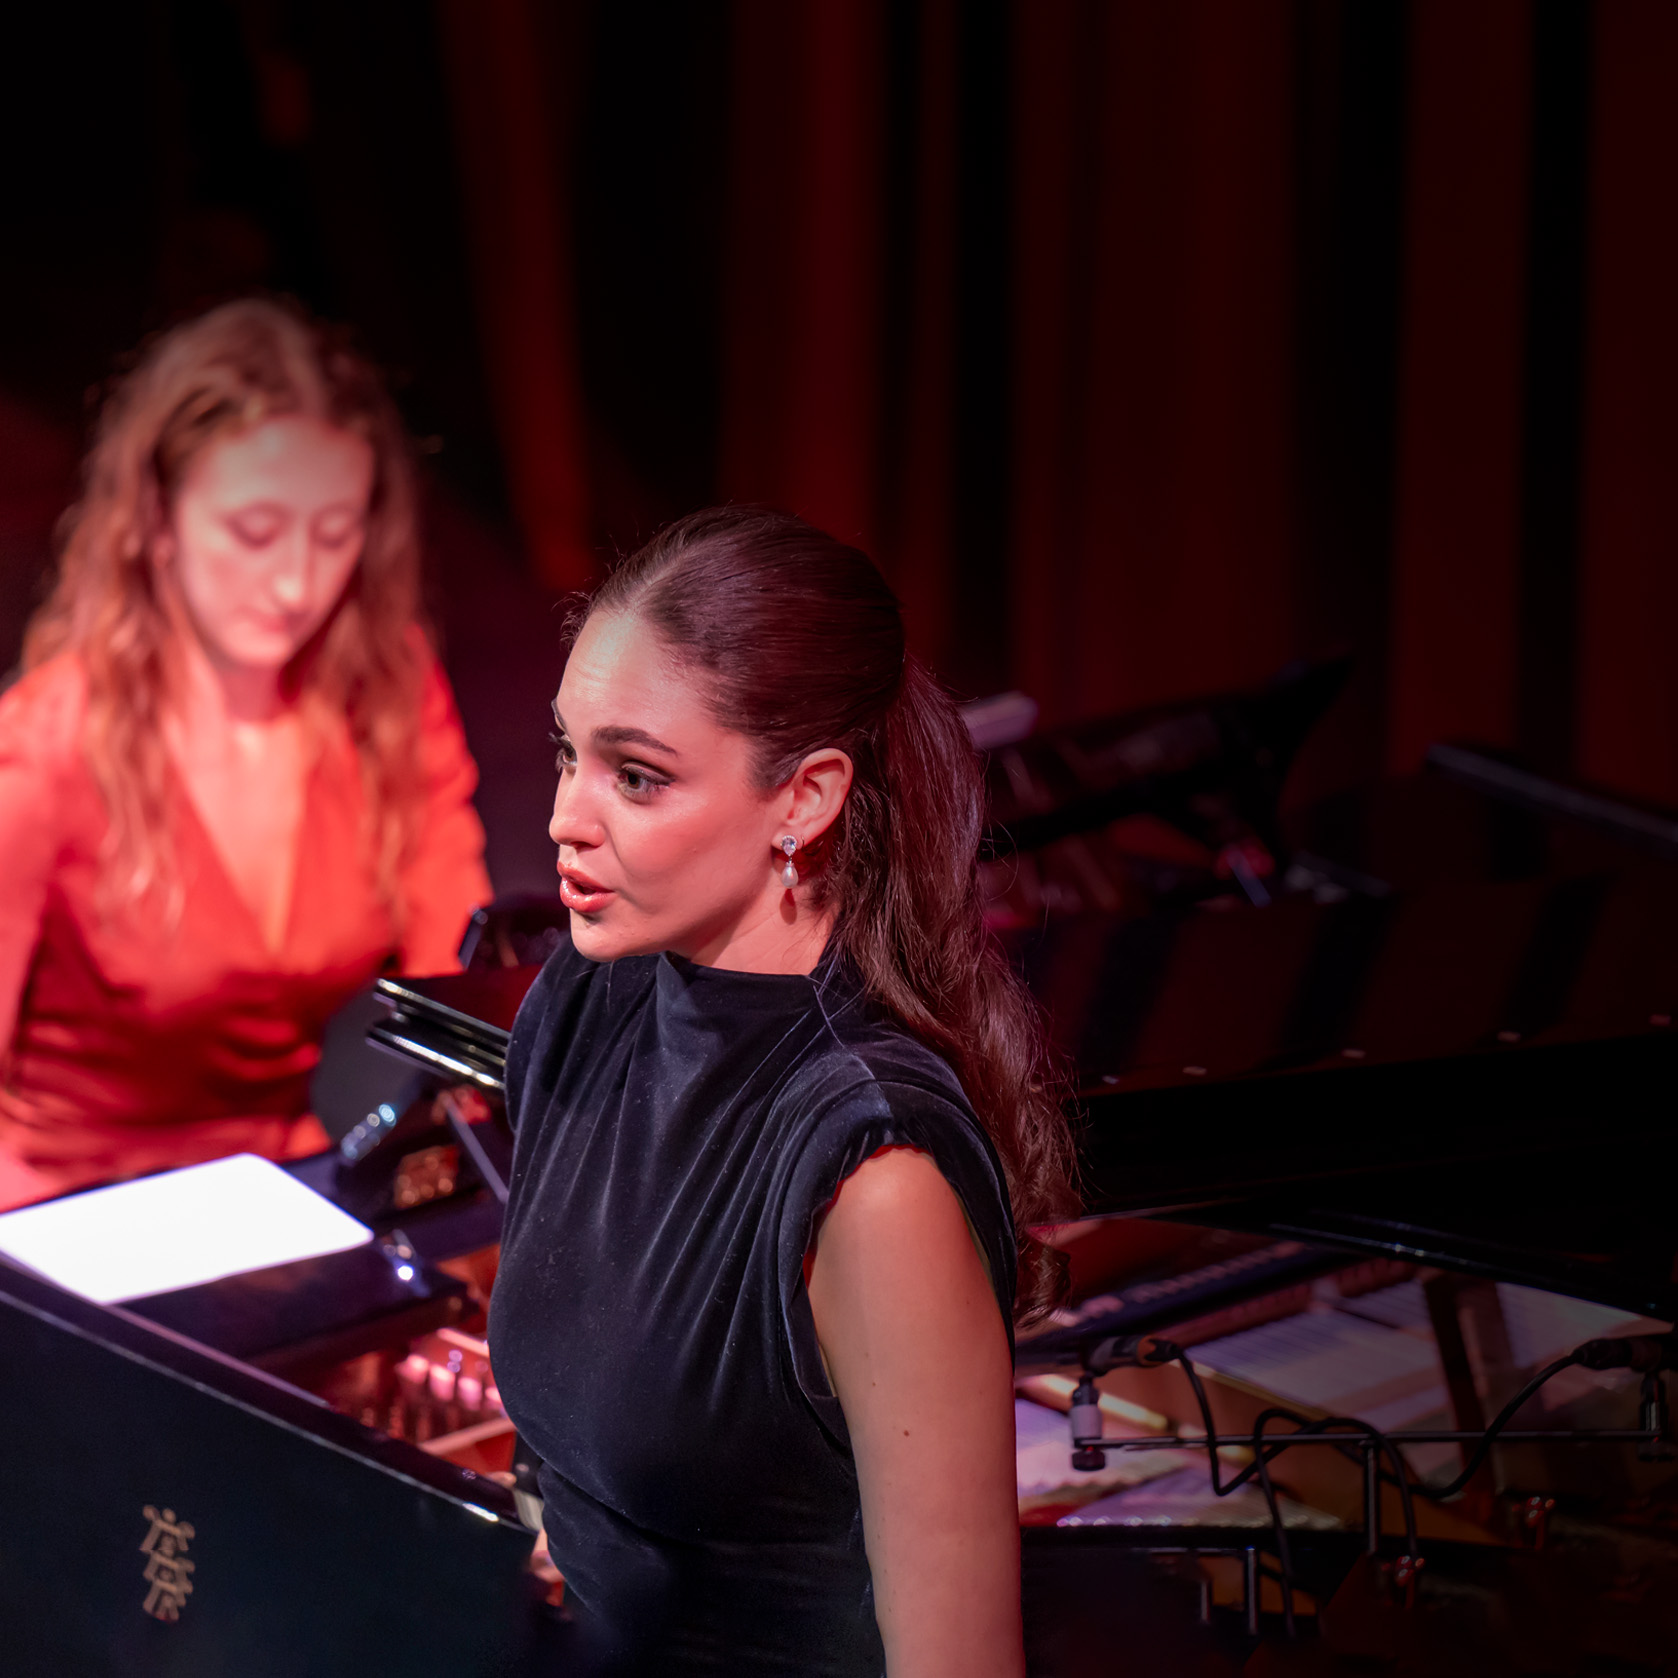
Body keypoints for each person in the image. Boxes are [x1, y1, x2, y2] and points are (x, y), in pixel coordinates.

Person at [488, 507, 1077, 1676]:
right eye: (568, 753)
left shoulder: (876, 1173)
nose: (563, 819)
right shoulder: (586, 1000)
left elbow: (956, 1662)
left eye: (635, 776)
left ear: (805, 798)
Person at [0, 299, 492, 1210]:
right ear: (157, 518)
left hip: (271, 1195)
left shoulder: (384, 693)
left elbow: (459, 981)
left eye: (335, 534)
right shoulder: (45, 745)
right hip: (58, 1212)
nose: (297, 582)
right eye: (256, 533)